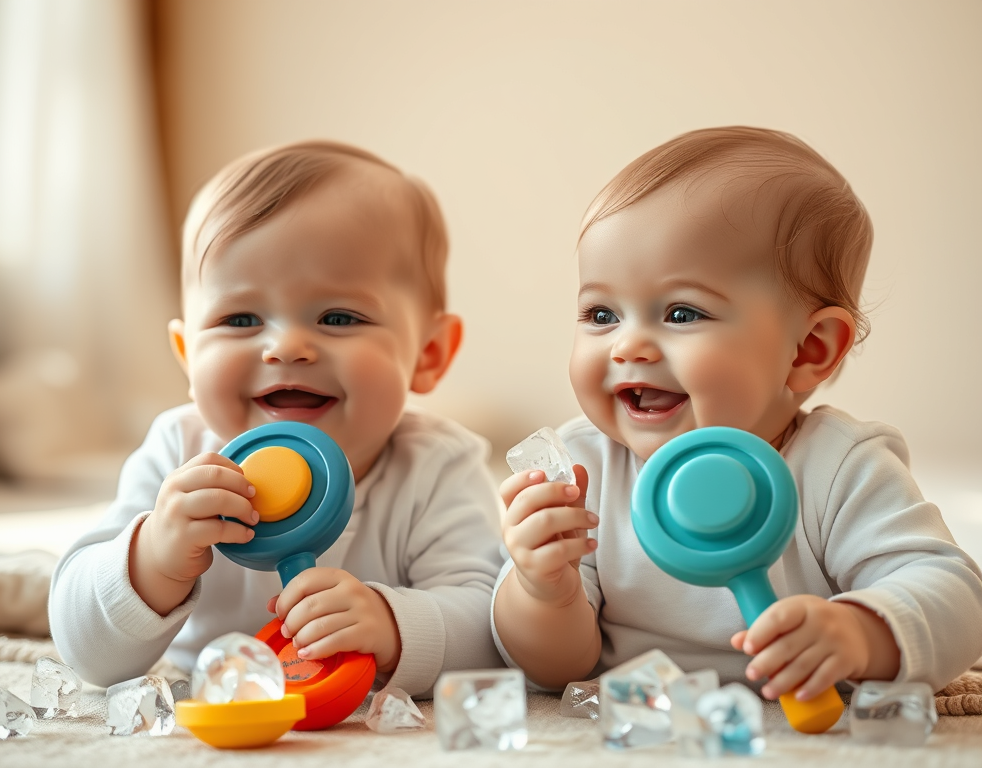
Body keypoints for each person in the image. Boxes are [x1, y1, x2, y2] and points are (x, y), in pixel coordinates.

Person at [492, 127, 982, 701]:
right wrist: (544, 591)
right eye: (602, 314)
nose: (627, 346)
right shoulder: (582, 471)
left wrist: (861, 631)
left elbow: (956, 597)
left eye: (681, 313)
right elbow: (555, 671)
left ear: (808, 349)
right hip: (647, 724)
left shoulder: (837, 468)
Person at [50, 141, 504, 696]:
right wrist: (153, 560)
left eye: (339, 317)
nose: (286, 347)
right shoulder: (179, 451)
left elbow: (498, 628)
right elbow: (85, 655)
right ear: (188, 356)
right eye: (241, 319)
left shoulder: (436, 466)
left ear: (428, 354)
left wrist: (393, 624)